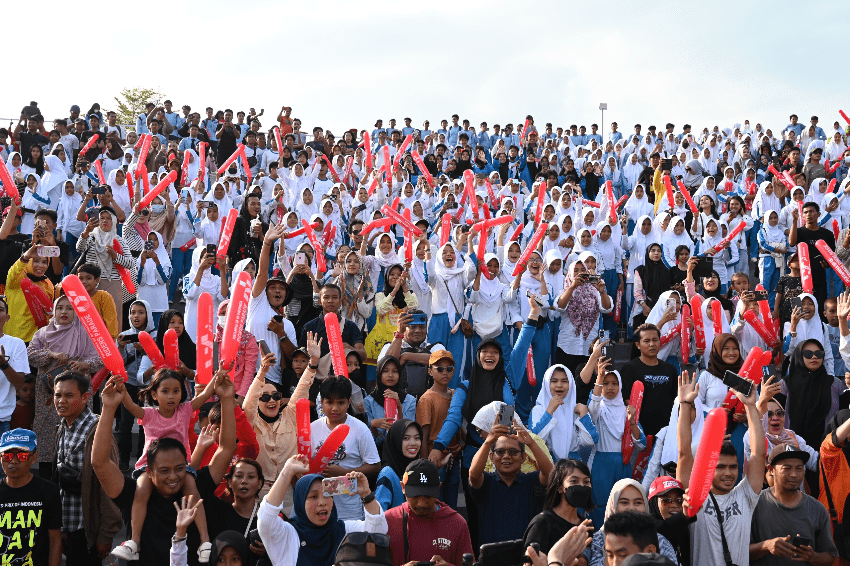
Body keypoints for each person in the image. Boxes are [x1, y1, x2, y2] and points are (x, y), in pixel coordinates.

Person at [93, 367, 237, 566]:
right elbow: (99, 463)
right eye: (163, 470)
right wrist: (109, 407)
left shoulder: (193, 482)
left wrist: (227, 397)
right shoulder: (134, 494)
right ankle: (134, 542)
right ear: (151, 470)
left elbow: (227, 448)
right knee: (142, 489)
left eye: (179, 468)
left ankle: (205, 542)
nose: (172, 476)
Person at [676, 369, 766, 566]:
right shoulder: (695, 495)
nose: (728, 473)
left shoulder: (745, 496)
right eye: (720, 467)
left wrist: (750, 406)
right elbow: (684, 453)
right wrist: (684, 405)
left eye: (733, 467)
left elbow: (758, 454)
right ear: (708, 467)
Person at [256, 454, 388, 566]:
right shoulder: (287, 535)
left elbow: (377, 533)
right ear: (301, 502)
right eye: (313, 496)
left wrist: (366, 494)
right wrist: (287, 472)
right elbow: (266, 519)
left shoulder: (344, 530)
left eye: (327, 495)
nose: (322, 503)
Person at [27, 295, 102, 478]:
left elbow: (100, 359)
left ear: (76, 312)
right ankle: (48, 484)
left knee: (76, 435)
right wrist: (51, 354)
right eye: (60, 308)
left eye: (69, 308)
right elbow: (30, 355)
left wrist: (84, 365)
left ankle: (75, 480)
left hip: (76, 392)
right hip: (49, 396)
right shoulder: (43, 333)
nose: (64, 312)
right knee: (48, 441)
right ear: (54, 311)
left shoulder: (84, 333)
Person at [52, 371, 122, 565]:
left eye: (69, 395)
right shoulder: (63, 427)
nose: (61, 401)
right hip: (67, 527)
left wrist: (105, 535)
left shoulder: (98, 431)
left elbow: (110, 489)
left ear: (85, 398)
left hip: (88, 531)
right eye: (58, 395)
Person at [468, 410, 554, 547]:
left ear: (524, 458)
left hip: (526, 558)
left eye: (513, 452)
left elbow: (551, 474)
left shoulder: (531, 482)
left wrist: (530, 442)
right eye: (500, 452)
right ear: (492, 457)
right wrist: (489, 440)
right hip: (492, 558)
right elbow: (473, 475)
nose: (506, 456)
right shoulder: (487, 483)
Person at [751, 445, 838, 565]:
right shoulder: (754, 505)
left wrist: (812, 556)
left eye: (799, 468)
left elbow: (829, 558)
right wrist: (766, 546)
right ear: (771, 470)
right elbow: (737, 551)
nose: (794, 474)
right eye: (786, 468)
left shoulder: (818, 509)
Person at [312, 376, 381, 520]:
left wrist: (345, 473)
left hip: (350, 509)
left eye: (341, 402)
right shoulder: (312, 429)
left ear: (349, 402)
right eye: (329, 402)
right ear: (322, 402)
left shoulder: (360, 429)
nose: (335, 408)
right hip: (319, 507)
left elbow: (375, 466)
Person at [384, 458, 474, 565]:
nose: (421, 503)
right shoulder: (387, 521)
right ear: (403, 487)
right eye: (415, 495)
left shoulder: (457, 523)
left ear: (439, 487)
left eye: (428, 496)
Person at [0, 428, 62, 566]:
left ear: (34, 458)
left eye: (22, 456)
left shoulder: (49, 491)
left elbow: (55, 540)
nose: (14, 461)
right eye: (7, 456)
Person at [584, 479, 679, 566]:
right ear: (613, 505)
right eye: (624, 502)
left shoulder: (660, 541)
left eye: (638, 503)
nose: (631, 508)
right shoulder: (597, 541)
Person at [415, 350, 462, 509]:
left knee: (451, 505)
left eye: (449, 369)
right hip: (434, 458)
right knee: (435, 503)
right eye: (439, 369)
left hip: (453, 456)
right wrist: (424, 465)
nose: (445, 373)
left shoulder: (455, 394)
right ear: (430, 371)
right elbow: (423, 434)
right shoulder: (427, 398)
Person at [619, 324, 678, 437]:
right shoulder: (629, 369)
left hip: (665, 432)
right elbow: (626, 401)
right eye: (646, 341)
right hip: (638, 432)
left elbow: (673, 400)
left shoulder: (670, 369)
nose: (652, 344)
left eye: (655, 340)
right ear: (638, 345)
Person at [523, 458, 593, 554]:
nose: (581, 486)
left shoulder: (586, 525)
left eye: (586, 482)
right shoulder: (543, 522)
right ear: (560, 487)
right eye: (574, 481)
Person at [380, 310, 445, 400]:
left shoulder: (436, 347)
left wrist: (406, 356)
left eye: (422, 327)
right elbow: (386, 365)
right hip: (397, 401)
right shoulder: (389, 346)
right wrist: (399, 333)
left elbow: (443, 363)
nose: (417, 331)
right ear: (404, 328)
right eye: (412, 327)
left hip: (429, 402)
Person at [365, 356, 417, 448]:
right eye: (385, 371)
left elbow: (409, 433)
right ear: (379, 373)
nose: (390, 375)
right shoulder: (369, 401)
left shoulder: (410, 400)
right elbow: (367, 440)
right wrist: (373, 424)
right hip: (377, 453)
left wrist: (399, 406)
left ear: (400, 374)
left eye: (395, 371)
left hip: (401, 451)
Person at [0, 296, 28, 434]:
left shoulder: (17, 344)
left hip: (2, 419)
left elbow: (20, 384)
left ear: (7, 317)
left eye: (0, 310)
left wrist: (4, 365)